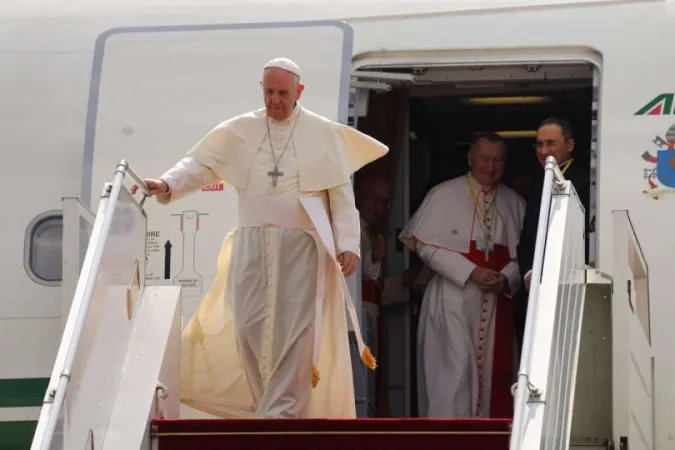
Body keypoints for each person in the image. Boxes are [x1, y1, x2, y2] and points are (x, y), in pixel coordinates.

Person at [132, 57, 388, 419]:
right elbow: (203, 165)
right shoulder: (240, 130)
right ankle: (265, 401)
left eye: (283, 93)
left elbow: (340, 195)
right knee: (248, 324)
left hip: (301, 246)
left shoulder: (322, 133)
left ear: (299, 92)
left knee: (294, 331)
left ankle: (282, 412)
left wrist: (348, 245)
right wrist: (168, 182)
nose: (275, 100)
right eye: (269, 92)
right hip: (251, 242)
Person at [399, 132, 525, 418]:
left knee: (498, 375)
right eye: (484, 158)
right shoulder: (443, 194)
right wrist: (470, 272)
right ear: (470, 158)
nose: (490, 167)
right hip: (452, 301)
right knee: (452, 376)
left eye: (497, 160)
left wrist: (507, 278)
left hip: (497, 303)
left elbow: (527, 256)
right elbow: (425, 246)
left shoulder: (515, 202)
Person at [515, 117, 590, 353]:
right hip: (538, 289)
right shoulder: (540, 180)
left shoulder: (586, 180)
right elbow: (528, 236)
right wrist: (528, 271)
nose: (543, 151)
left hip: (570, 286)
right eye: (539, 144)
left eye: (550, 143)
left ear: (569, 145)